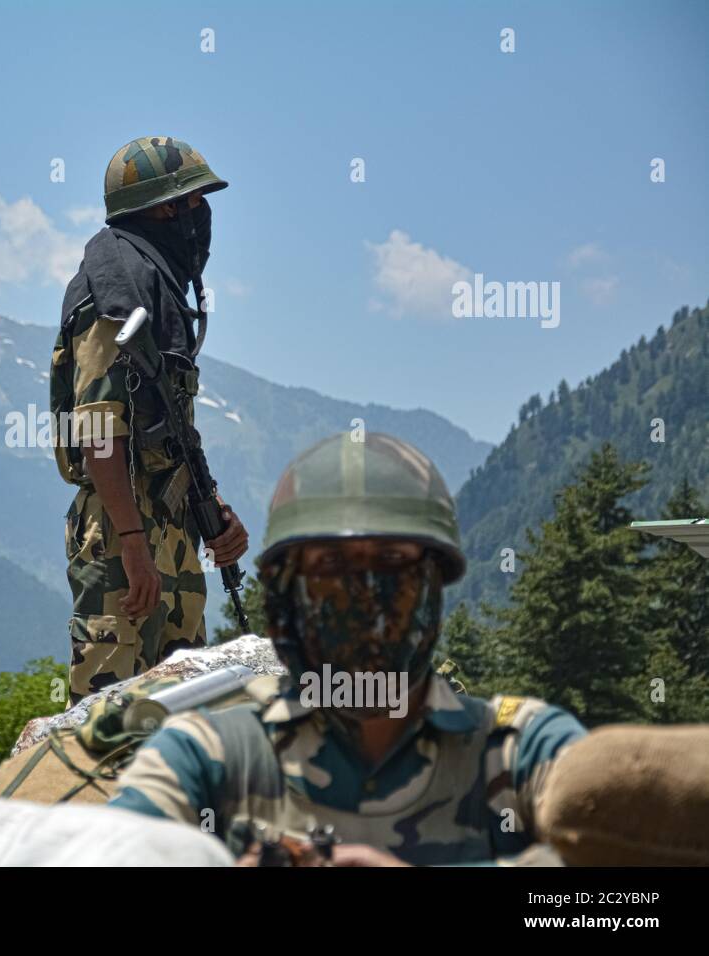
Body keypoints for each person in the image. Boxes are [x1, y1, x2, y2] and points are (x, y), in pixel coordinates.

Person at [106, 431, 588, 865]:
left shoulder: (523, 752)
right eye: (330, 565)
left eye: (392, 562)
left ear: (432, 583)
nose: (363, 594)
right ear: (284, 593)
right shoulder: (206, 757)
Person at [51, 136, 248, 705]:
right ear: (166, 209)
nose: (202, 217)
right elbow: (98, 429)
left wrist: (212, 511)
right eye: (194, 202)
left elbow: (168, 425)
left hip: (171, 528)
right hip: (123, 533)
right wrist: (133, 542)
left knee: (187, 711)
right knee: (108, 720)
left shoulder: (154, 285)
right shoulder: (112, 289)